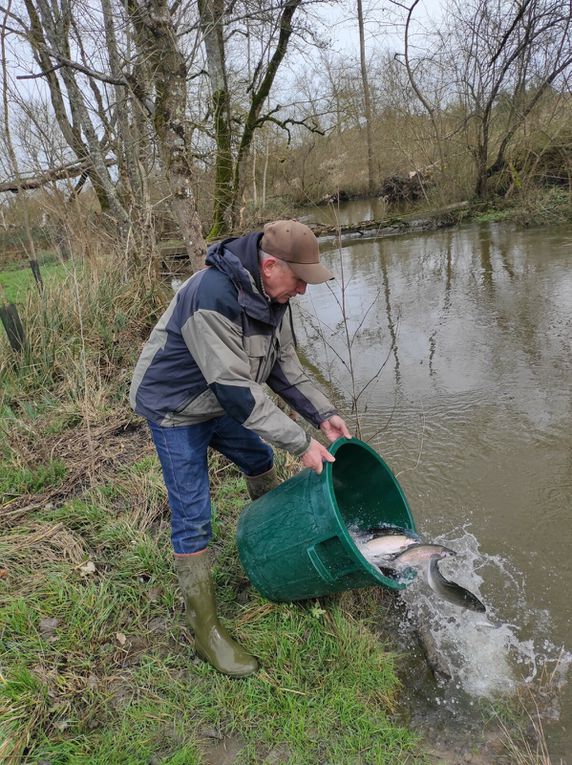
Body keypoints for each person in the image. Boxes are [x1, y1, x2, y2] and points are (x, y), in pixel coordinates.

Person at [130, 219, 351, 677]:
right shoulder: (210, 298)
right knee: (193, 516)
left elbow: (282, 366)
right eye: (299, 281)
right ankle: (204, 628)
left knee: (258, 458)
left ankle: (271, 540)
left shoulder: (272, 297)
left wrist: (321, 414)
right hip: (175, 407)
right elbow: (237, 394)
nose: (303, 292)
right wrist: (301, 443)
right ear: (270, 266)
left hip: (214, 400)